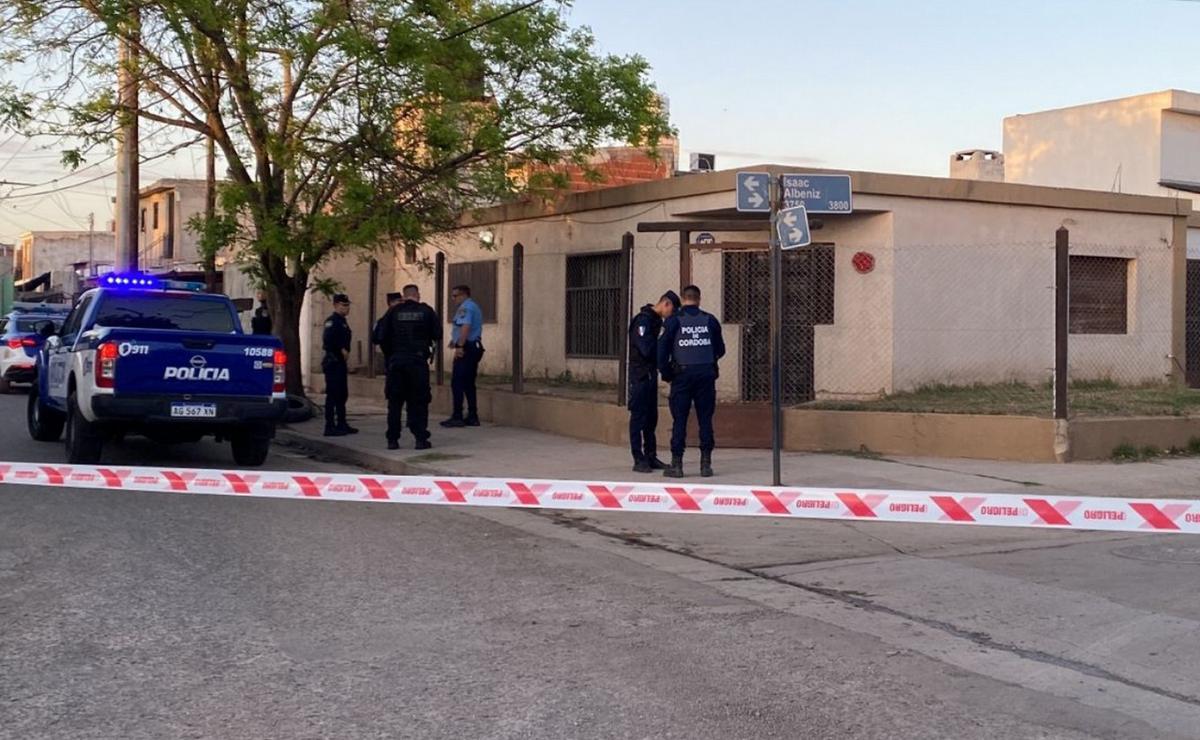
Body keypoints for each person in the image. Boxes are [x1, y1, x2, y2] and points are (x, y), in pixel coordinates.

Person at [658, 284, 725, 478]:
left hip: (682, 377)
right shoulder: (710, 320)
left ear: (683, 298)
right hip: (706, 375)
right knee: (705, 419)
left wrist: (667, 373)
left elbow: (661, 352)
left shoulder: (673, 321)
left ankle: (677, 465)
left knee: (680, 419)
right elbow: (720, 349)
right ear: (699, 299)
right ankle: (706, 465)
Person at [378, 285, 441, 450]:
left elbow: (379, 336)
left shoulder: (393, 311)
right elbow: (438, 334)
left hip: (397, 362)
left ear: (405, 296)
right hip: (418, 362)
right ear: (417, 295)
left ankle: (393, 440)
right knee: (419, 401)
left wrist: (391, 354)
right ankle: (420, 438)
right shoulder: (426, 311)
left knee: (395, 402)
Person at [628, 290, 680, 474]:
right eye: (671, 311)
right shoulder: (643, 321)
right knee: (638, 417)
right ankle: (638, 458)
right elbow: (646, 349)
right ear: (665, 304)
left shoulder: (656, 321)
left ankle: (650, 456)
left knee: (651, 419)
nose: (670, 316)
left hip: (650, 376)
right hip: (640, 376)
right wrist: (663, 347)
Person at [440, 284, 484, 428]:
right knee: (468, 383)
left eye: (455, 295)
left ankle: (457, 415)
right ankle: (472, 415)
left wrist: (460, 346)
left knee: (457, 382)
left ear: (464, 295)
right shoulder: (472, 306)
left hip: (467, 348)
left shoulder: (466, 308)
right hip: (473, 346)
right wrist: (455, 341)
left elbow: (465, 327)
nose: (453, 299)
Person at [322, 294, 358, 437]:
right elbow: (328, 341)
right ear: (336, 305)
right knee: (333, 395)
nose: (346, 308)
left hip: (340, 362)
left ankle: (342, 423)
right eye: (344, 305)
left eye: (347, 305)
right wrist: (340, 350)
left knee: (342, 394)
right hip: (333, 362)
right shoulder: (332, 321)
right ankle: (329, 426)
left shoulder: (342, 321)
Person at [372, 291, 404, 397]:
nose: (402, 303)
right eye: (399, 301)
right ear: (391, 303)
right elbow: (376, 338)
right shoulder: (384, 320)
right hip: (392, 360)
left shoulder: (399, 317)